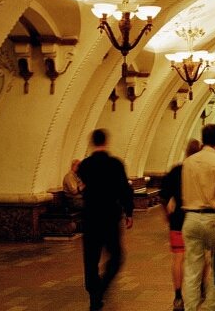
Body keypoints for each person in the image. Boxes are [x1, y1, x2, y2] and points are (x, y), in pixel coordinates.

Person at [77, 129, 134, 311]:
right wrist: (129, 212)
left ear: (92, 142)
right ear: (106, 141)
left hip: (90, 216)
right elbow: (124, 189)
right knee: (116, 256)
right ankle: (101, 288)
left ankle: (94, 294)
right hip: (110, 216)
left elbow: (83, 185)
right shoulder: (115, 164)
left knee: (91, 258)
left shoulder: (85, 165)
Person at [181, 124, 215, 311]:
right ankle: (211, 307)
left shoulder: (187, 163)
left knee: (192, 269)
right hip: (213, 220)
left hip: (191, 218)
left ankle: (190, 308)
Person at [160, 139, 203, 311]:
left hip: (178, 219)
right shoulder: (201, 170)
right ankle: (201, 287)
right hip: (198, 218)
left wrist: (167, 215)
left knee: (178, 258)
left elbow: (163, 196)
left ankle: (178, 296)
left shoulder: (176, 170)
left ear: (185, 152)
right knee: (202, 256)